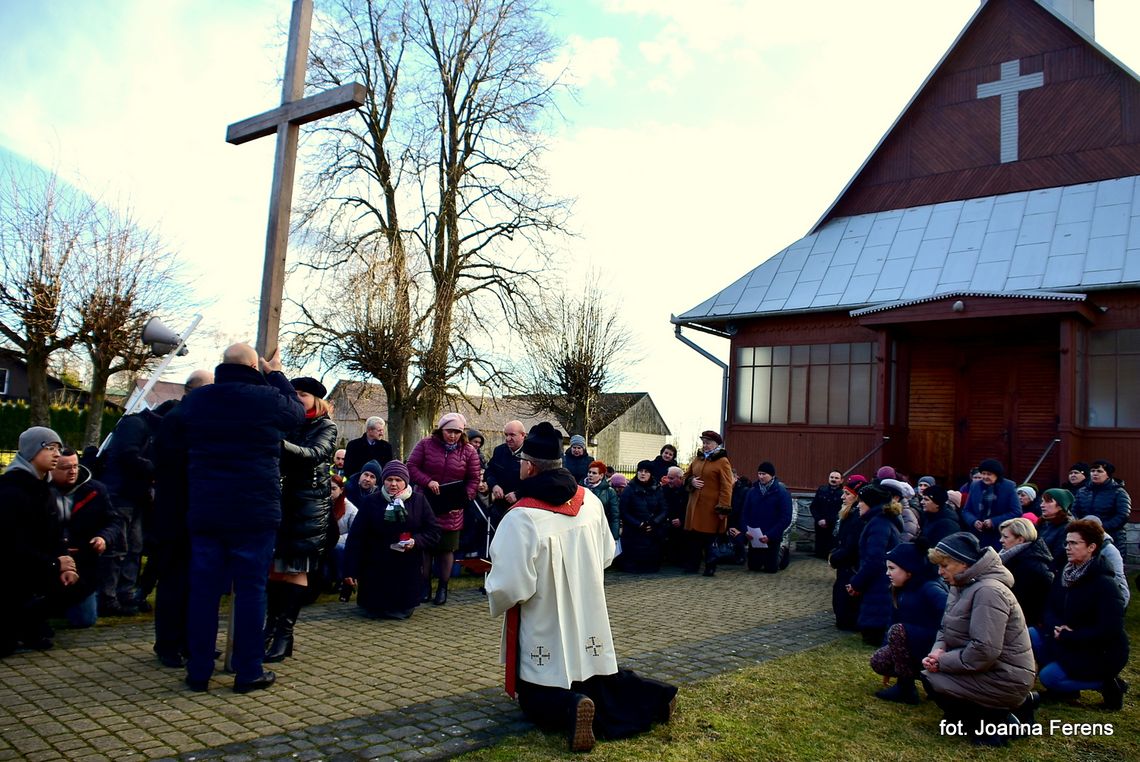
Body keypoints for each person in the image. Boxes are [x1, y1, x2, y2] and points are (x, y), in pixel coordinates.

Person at [485, 422, 676, 753]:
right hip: (589, 612)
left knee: (535, 693)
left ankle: (573, 707)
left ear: (529, 466)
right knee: (597, 675)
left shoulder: (521, 517)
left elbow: (510, 585)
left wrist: (495, 589)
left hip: (543, 618)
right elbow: (605, 555)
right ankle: (656, 695)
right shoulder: (588, 500)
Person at [171, 343, 305, 693]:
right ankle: (248, 671)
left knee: (203, 592)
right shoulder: (265, 397)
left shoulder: (197, 401)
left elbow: (175, 435)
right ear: (253, 366)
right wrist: (275, 373)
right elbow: (296, 414)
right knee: (251, 591)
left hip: (207, 507)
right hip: (253, 509)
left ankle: (198, 670)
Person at [920, 533, 1036, 746]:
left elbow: (985, 650)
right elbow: (945, 628)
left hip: (1004, 676)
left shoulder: (989, 591)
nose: (940, 572)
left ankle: (996, 719)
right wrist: (937, 651)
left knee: (933, 679)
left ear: (963, 563)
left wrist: (942, 662)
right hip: (987, 668)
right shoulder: (961, 585)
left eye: (945, 565)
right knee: (930, 675)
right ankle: (982, 716)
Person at [264, 377, 337, 663]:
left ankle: (284, 634)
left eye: (302, 394)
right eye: (293, 393)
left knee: (296, 567)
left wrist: (279, 443)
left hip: (308, 507)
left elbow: (314, 454)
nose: (297, 398)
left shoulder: (325, 426)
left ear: (316, 399)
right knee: (275, 568)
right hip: (281, 502)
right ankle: (270, 627)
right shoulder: (287, 423)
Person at [150, 368, 214, 669]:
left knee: (192, 580)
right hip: (176, 514)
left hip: (188, 512)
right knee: (174, 581)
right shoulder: (180, 421)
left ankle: (189, 641)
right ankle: (168, 643)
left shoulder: (186, 418)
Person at [1035, 519, 1129, 710]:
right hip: (1064, 638)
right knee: (1031, 634)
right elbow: (1050, 606)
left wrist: (1071, 634)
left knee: (1048, 677)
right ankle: (1066, 688)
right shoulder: (1065, 573)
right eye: (1067, 543)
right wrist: (1056, 627)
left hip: (1097, 651)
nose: (1068, 547)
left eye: (1074, 543)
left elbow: (1110, 629)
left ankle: (1107, 684)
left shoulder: (1105, 584)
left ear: (1091, 547)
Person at [1, 427, 78, 656]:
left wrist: (66, 562)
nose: (56, 454)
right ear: (31, 451)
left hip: (37, 566)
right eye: (49, 448)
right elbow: (11, 545)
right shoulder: (11, 490)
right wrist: (54, 563)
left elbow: (53, 534)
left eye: (58, 448)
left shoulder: (44, 489)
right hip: (12, 573)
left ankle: (32, 624)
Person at [344, 460, 440, 619]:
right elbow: (356, 537)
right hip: (376, 566)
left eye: (398, 480)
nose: (393, 484)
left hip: (406, 568)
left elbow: (433, 531)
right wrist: (350, 570)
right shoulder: (371, 501)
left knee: (401, 610)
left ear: (406, 481)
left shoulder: (419, 501)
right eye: (389, 479)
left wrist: (415, 541)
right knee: (375, 611)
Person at [97, 405, 165, 616]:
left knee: (133, 546)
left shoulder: (139, 425)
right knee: (119, 548)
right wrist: (156, 468)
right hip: (121, 494)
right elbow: (127, 455)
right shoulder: (136, 425)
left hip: (133, 495)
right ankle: (109, 597)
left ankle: (124, 594)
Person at [407, 412, 481, 606]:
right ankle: (425, 587)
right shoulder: (425, 444)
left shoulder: (469, 451)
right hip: (426, 502)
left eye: (457, 432)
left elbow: (473, 479)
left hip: (452, 506)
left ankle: (443, 587)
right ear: (441, 430)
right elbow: (411, 466)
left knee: (447, 549)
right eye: (449, 431)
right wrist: (428, 481)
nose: (453, 435)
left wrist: (464, 498)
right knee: (426, 548)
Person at [870, 542, 948, 704]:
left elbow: (952, 615)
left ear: (909, 570)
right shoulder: (900, 589)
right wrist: (890, 653)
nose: (887, 573)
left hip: (934, 646)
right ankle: (921, 682)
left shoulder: (930, 588)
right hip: (913, 644)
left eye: (892, 568)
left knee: (898, 630)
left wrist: (941, 648)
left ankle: (908, 688)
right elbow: (892, 622)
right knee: (879, 660)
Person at [48, 448, 118, 629]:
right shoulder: (41, 492)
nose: (72, 471)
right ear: (52, 468)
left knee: (85, 620)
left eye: (75, 466)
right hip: (49, 560)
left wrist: (103, 538)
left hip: (84, 562)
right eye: (65, 467)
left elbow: (113, 522)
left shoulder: (95, 491)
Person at [845, 484, 903, 645]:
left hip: (879, 585)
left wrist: (856, 583)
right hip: (879, 584)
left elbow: (875, 560)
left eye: (861, 502)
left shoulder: (878, 524)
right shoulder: (881, 521)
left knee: (874, 635)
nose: (858, 506)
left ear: (870, 503)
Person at [681, 431, 733, 576]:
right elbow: (686, 475)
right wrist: (691, 481)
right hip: (694, 506)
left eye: (708, 443)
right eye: (703, 442)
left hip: (710, 508)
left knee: (709, 538)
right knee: (694, 538)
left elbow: (727, 486)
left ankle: (710, 566)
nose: (705, 445)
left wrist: (723, 508)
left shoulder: (722, 461)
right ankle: (692, 565)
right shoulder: (697, 459)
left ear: (716, 444)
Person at [729, 461, 792, 573]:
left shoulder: (781, 492)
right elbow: (745, 513)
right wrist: (746, 530)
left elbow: (786, 517)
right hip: (755, 537)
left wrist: (770, 535)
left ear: (772, 475)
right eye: (759, 474)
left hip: (772, 537)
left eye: (764, 474)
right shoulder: (752, 492)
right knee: (754, 567)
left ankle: (782, 552)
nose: (761, 477)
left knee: (771, 569)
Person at [996, 517, 1053, 629]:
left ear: (1020, 540)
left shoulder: (1032, 566)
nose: (1001, 540)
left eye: (1006, 537)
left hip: (1024, 625)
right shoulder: (1010, 559)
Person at [829, 475, 868, 631]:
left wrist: (835, 557)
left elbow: (851, 546)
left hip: (850, 568)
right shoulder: (848, 514)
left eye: (847, 494)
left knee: (845, 614)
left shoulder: (857, 519)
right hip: (844, 566)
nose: (842, 497)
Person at [618, 461, 669, 573]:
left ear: (651, 474)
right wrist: (638, 524)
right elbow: (623, 511)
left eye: (646, 472)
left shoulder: (657, 489)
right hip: (633, 531)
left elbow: (664, 509)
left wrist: (654, 523)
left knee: (651, 564)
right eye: (640, 471)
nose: (642, 474)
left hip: (652, 530)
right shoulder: (629, 489)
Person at [962, 458, 1020, 550]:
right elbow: (966, 510)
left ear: (997, 475)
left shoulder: (1008, 487)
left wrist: (993, 521)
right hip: (977, 535)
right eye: (983, 473)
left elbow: (1016, 512)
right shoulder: (975, 486)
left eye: (989, 474)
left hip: (999, 535)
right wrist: (974, 521)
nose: (985, 477)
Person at [1072, 459, 1131, 549]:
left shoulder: (1119, 492)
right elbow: (1074, 512)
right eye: (1092, 471)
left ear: (1108, 475)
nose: (1095, 473)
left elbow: (1123, 516)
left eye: (1099, 471)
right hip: (1086, 536)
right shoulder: (1082, 491)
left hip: (1112, 538)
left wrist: (1101, 527)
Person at [484, 420, 526, 520]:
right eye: (506, 434)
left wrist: (518, 494)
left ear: (523, 435)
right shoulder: (499, 451)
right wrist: (494, 485)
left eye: (512, 435)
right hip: (499, 506)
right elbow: (489, 471)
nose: (508, 438)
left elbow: (537, 481)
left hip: (521, 507)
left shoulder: (531, 454)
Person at [809, 470, 844, 559]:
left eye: (836, 478)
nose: (833, 479)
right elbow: (813, 507)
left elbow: (842, 510)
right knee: (819, 553)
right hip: (820, 525)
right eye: (832, 477)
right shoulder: (821, 490)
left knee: (831, 551)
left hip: (834, 526)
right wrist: (818, 519)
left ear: (841, 480)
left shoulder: (843, 494)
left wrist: (828, 521)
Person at [583, 460, 621, 542]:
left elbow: (614, 516)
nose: (590, 475)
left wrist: (614, 537)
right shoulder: (581, 488)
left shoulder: (609, 492)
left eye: (594, 473)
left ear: (601, 475)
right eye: (589, 472)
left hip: (600, 530)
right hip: (584, 529)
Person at [1037, 488, 1073, 571]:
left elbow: (1058, 558)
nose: (1042, 505)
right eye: (1042, 501)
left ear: (1060, 506)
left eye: (1048, 501)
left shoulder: (1067, 528)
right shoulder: (1042, 523)